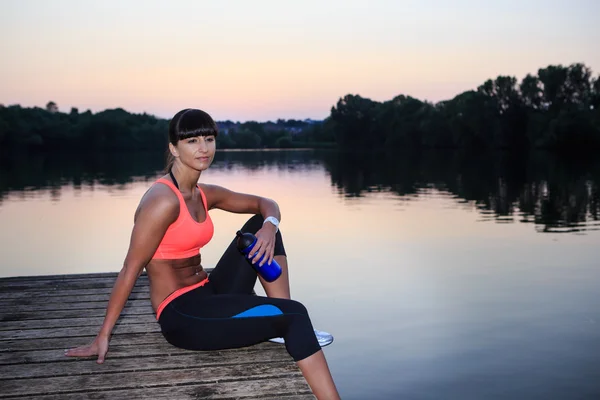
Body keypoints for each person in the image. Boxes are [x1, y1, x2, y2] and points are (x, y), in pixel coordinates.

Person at [65, 108, 341, 400]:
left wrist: (270, 226)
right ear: (174, 147)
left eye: (209, 139)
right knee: (298, 315)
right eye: (192, 141)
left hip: (208, 290)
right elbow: (130, 269)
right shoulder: (162, 202)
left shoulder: (202, 192)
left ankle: (278, 314)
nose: (204, 148)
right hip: (183, 315)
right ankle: (289, 327)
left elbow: (265, 203)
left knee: (259, 226)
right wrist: (103, 336)